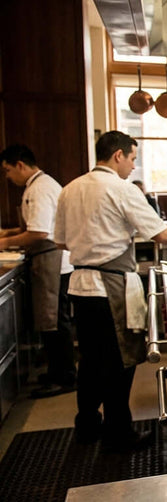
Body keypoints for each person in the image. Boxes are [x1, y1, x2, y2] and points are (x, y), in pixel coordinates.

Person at [55, 131, 167, 451]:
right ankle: (118, 433)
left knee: (88, 361)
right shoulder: (121, 189)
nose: (133, 166)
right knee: (119, 363)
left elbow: (59, 241)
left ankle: (86, 425)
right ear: (117, 156)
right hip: (109, 288)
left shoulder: (69, 189)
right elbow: (160, 234)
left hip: (79, 285)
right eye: (133, 159)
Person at [0, 145, 77, 398]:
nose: (9, 177)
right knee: (52, 320)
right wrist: (10, 234)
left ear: (20, 165)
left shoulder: (40, 189)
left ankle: (64, 377)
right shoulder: (40, 185)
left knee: (54, 321)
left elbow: (39, 232)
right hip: (51, 260)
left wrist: (3, 243)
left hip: (52, 260)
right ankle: (58, 371)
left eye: (8, 170)